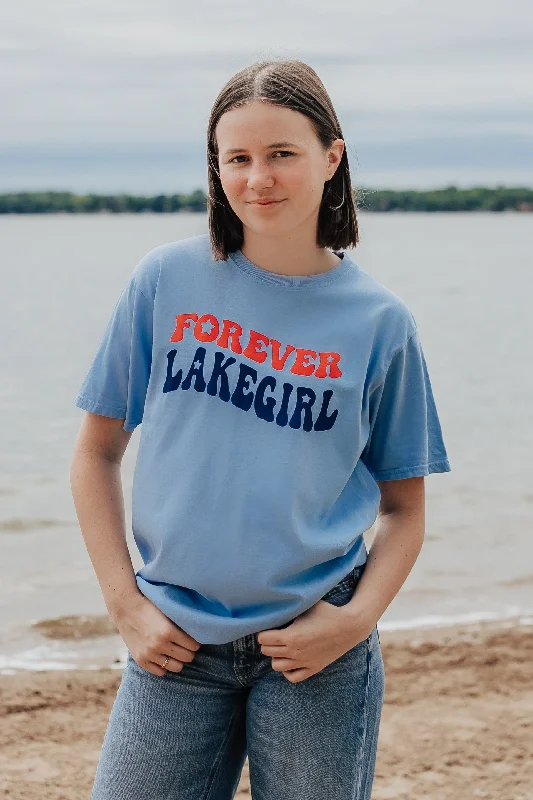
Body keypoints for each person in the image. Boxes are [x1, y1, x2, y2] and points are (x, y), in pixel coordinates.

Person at [70, 58, 451, 800]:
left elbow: (404, 510)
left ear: (331, 157)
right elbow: (95, 454)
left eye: (281, 153)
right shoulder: (163, 281)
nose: (257, 178)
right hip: (172, 643)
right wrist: (124, 605)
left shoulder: (379, 323)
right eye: (236, 158)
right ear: (215, 168)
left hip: (314, 644)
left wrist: (355, 620)